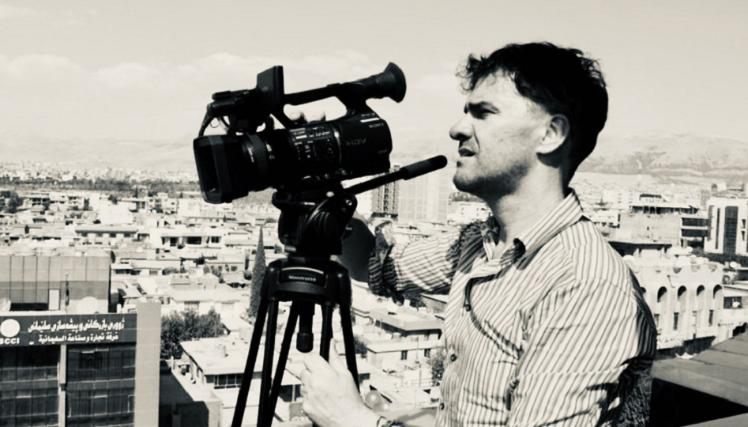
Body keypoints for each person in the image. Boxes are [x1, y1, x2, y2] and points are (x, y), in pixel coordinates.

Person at [299, 42, 657, 426]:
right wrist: (319, 184)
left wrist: (353, 419)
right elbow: (376, 265)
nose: (457, 129)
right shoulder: (479, 244)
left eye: (482, 113)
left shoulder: (584, 285)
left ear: (551, 133)